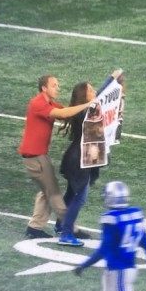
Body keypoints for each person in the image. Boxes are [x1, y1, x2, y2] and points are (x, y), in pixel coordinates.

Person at [19, 74, 95, 239]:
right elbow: (63, 114)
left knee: (46, 192)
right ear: (44, 88)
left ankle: (34, 227)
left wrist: (86, 105)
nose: (57, 88)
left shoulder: (49, 102)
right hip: (35, 158)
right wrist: (88, 104)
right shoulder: (38, 103)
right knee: (53, 193)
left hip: (38, 156)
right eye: (54, 85)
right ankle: (69, 227)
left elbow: (68, 112)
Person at [74, 181, 146, 291]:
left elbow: (103, 250)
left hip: (118, 275)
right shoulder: (135, 215)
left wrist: (84, 265)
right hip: (122, 273)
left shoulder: (111, 218)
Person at [57, 70, 123, 246]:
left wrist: (112, 79)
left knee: (72, 193)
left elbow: (101, 95)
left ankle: (60, 223)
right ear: (84, 96)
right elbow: (100, 96)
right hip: (79, 160)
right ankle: (66, 233)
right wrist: (111, 78)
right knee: (80, 196)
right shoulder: (83, 112)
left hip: (79, 158)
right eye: (91, 90)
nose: (94, 92)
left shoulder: (87, 109)